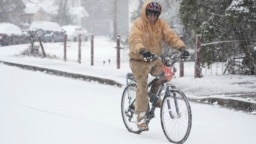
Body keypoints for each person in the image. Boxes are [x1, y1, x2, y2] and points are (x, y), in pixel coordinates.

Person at [128, 0, 189, 130]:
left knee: (165, 75)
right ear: (146, 12)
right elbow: (134, 40)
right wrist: (142, 50)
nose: (152, 17)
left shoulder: (161, 24)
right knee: (142, 86)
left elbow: (170, 36)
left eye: (155, 14)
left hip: (154, 59)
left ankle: (153, 95)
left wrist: (181, 48)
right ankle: (141, 117)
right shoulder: (138, 24)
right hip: (138, 60)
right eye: (150, 13)